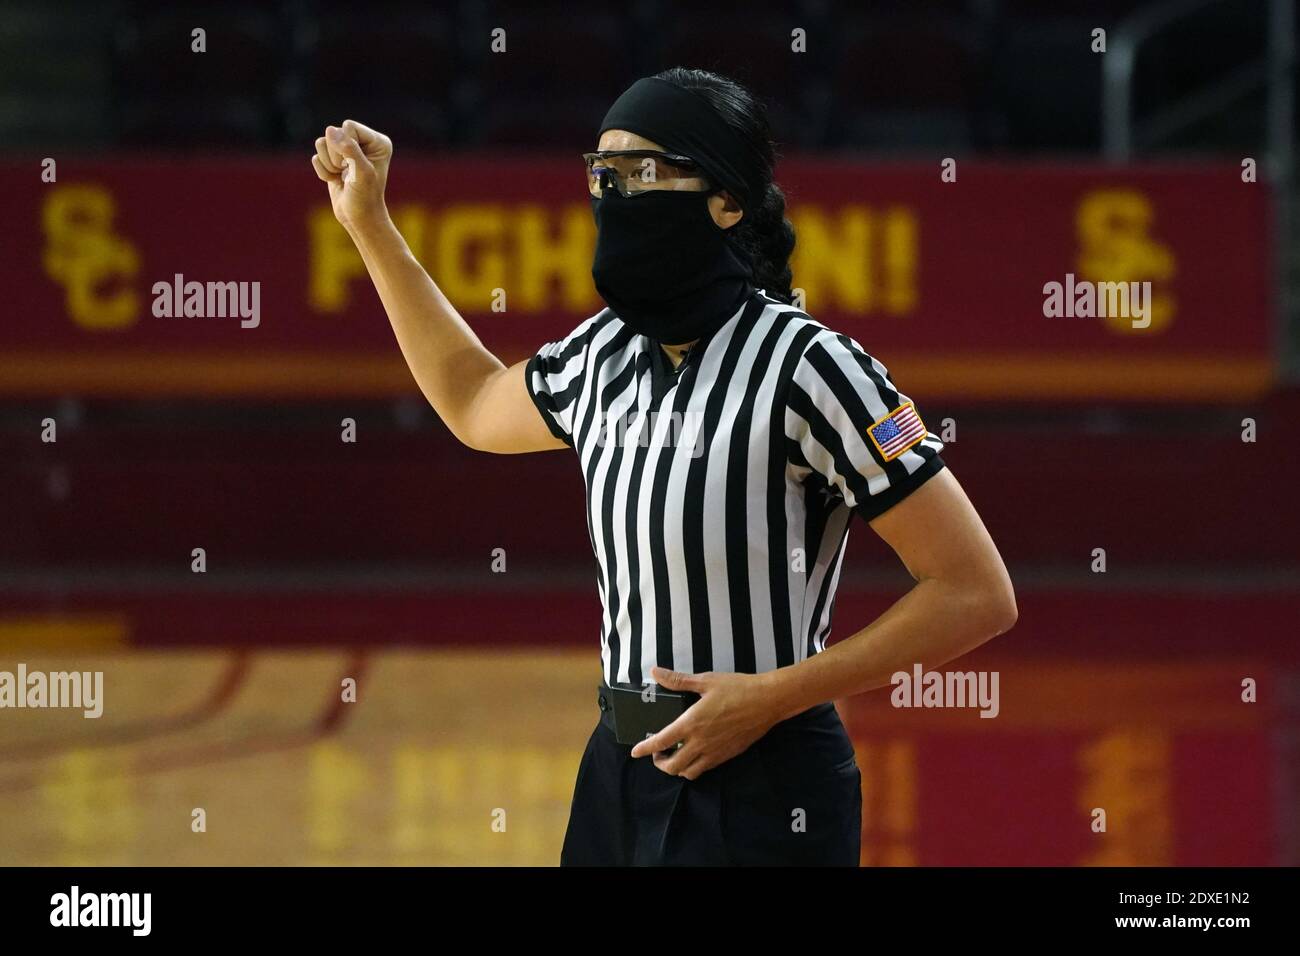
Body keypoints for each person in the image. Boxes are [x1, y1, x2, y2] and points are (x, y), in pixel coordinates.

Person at [311, 67, 1016, 866]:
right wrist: (370, 224)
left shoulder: (814, 369)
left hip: (769, 785)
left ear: (726, 200)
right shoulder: (602, 352)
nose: (614, 196)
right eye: (602, 175)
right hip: (619, 769)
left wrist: (769, 699)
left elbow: (975, 592)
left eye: (642, 173)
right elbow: (473, 401)